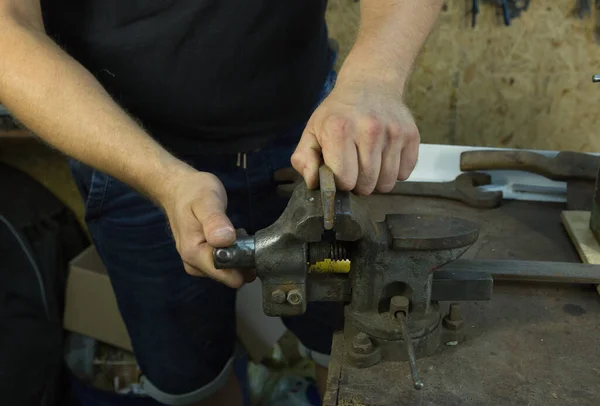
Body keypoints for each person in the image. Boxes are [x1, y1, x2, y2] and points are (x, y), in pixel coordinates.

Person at [0, 1, 443, 405]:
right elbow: (7, 29)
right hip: (127, 149)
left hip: (311, 134)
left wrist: (373, 79)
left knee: (354, 351)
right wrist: (164, 180)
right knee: (193, 383)